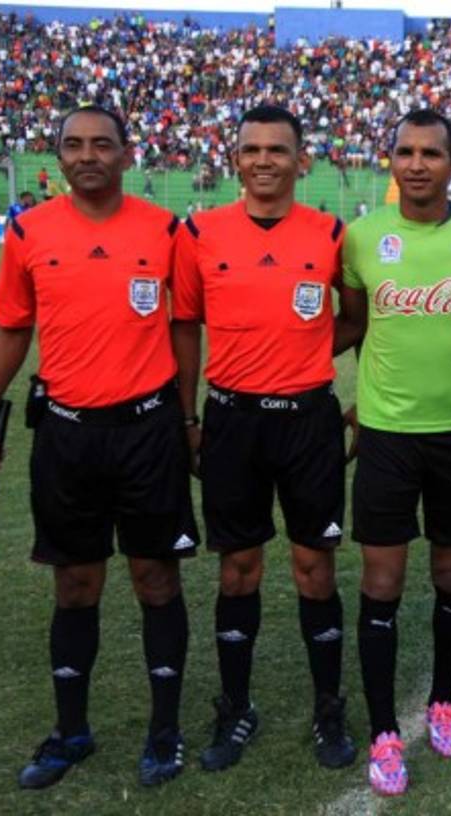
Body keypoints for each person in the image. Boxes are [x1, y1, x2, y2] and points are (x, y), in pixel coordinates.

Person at [0, 105, 199, 790]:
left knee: (156, 578)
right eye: (74, 144)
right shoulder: (27, 230)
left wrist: (188, 419)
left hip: (149, 431)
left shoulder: (165, 230)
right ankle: (71, 731)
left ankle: (165, 729)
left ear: (128, 154)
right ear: (58, 156)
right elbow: (12, 328)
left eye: (102, 143)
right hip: (66, 435)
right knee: (75, 584)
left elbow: (184, 326)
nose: (88, 154)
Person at [172, 104, 359, 774]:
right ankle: (236, 706)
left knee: (315, 569)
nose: (263, 161)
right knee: (238, 568)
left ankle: (328, 708)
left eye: (278, 150)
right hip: (231, 422)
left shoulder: (334, 233)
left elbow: (360, 317)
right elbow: (185, 324)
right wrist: (188, 417)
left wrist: (308, 359)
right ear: (235, 158)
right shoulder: (200, 232)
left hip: (308, 422)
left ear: (300, 159)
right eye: (251, 149)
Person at [338, 109, 451, 796]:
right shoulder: (360, 239)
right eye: (405, 152)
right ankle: (386, 730)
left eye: (431, 154)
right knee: (382, 581)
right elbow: (353, 323)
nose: (417, 165)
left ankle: (443, 701)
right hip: (385, 435)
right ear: (391, 159)